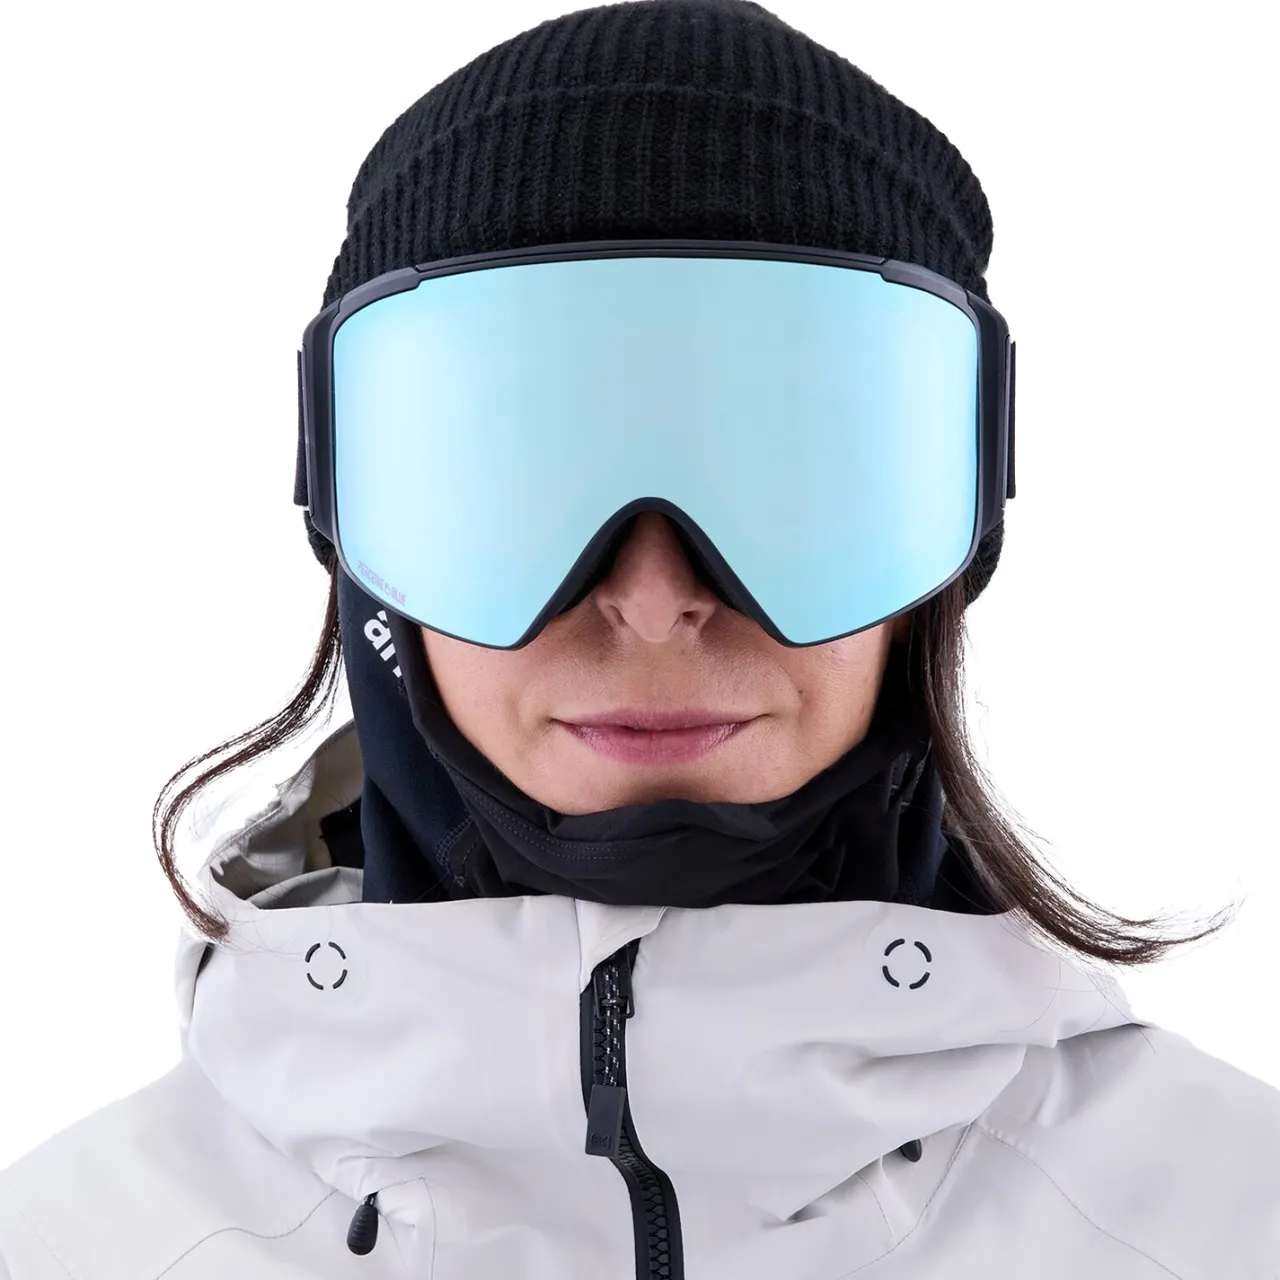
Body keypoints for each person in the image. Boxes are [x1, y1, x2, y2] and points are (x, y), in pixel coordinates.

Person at [2, 0, 1277, 1275]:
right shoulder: (71, 1245)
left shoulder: (1229, 1219)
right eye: (521, 469)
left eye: (783, 467)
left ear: (952, 537)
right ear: (357, 530)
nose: (656, 599)